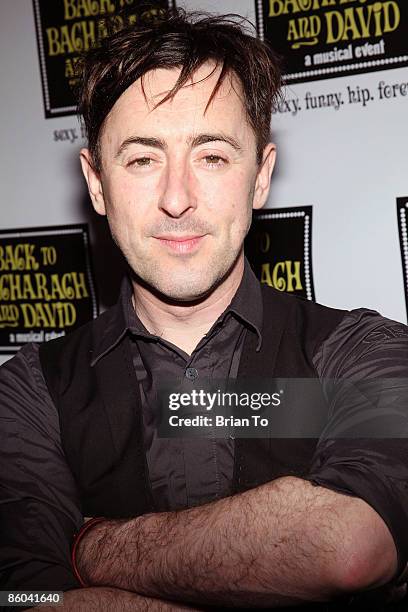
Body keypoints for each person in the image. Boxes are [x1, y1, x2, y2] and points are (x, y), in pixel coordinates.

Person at [1, 8, 408, 611]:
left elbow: (346, 545)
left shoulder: (364, 353)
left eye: (211, 156)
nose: (177, 199)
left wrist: (91, 549)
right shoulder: (30, 390)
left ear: (261, 176)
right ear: (95, 184)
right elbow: (23, 596)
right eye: (143, 159)